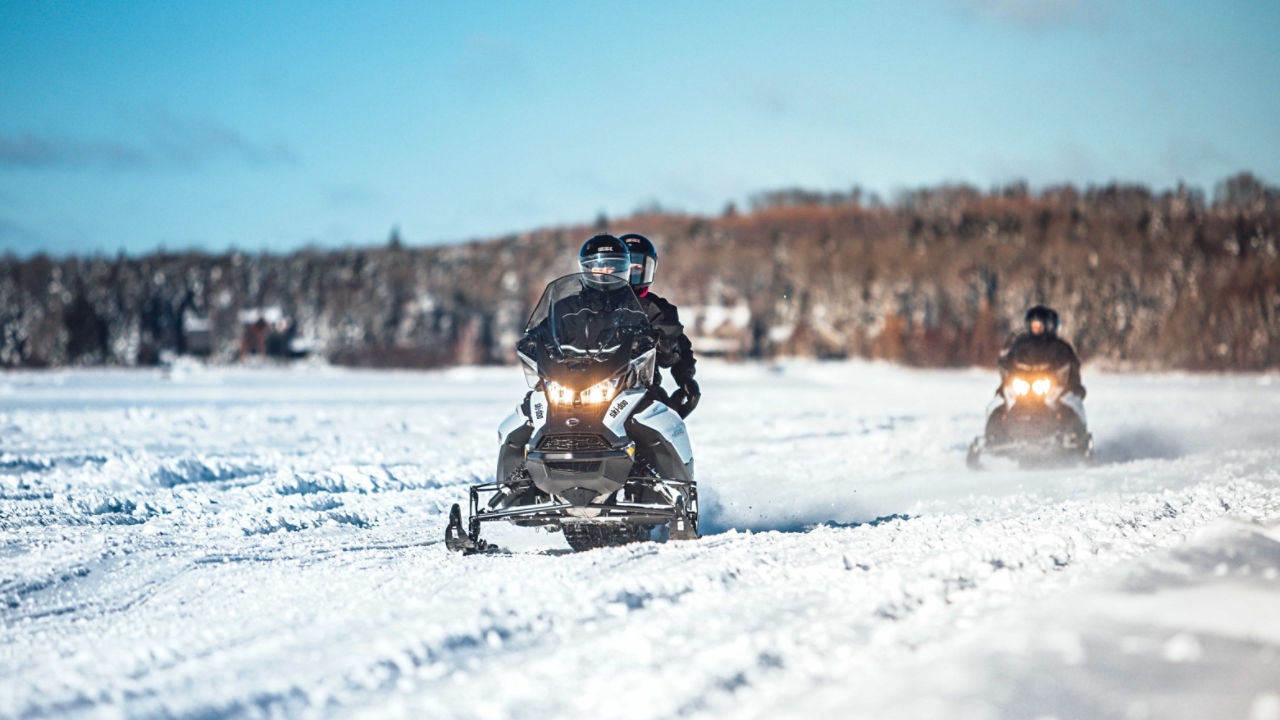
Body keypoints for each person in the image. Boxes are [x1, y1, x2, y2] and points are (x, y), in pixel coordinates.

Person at [619, 233, 700, 418]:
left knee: (666, 421)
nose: (632, 272)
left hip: (640, 390)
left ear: (650, 269)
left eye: (638, 267)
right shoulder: (593, 305)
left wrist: (685, 378)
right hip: (588, 387)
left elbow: (680, 347)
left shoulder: (658, 309)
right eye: (627, 266)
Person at [997, 305, 1086, 398]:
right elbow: (1009, 359)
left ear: (1047, 325)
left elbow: (1070, 363)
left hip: (1051, 388)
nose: (1037, 328)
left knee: (1069, 402)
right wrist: (1005, 367)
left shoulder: (1059, 345)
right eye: (1034, 325)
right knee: (1000, 402)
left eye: (1040, 325)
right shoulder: (1021, 343)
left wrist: (1072, 385)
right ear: (1029, 325)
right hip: (1023, 386)